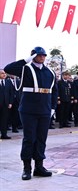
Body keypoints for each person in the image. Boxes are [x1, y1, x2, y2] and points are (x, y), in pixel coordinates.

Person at [4, 46, 58, 180]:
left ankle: (39, 167)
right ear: (33, 56)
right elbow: (8, 69)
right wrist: (25, 60)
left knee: (41, 139)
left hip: (45, 109)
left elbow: (54, 90)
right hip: (28, 109)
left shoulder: (50, 72)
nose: (42, 57)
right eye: (39, 55)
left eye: (44, 55)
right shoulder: (25, 69)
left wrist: (53, 107)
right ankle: (26, 168)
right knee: (29, 139)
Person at [0, 69, 14, 139]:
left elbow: (11, 93)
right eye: (2, 73)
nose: (4, 74)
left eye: (5, 73)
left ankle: (4, 134)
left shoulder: (8, 82)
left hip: (6, 104)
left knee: (4, 120)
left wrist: (10, 103)